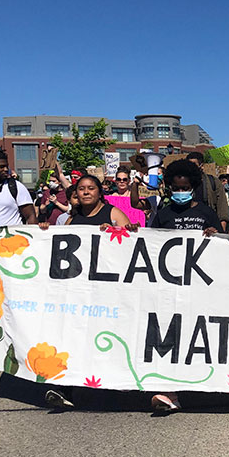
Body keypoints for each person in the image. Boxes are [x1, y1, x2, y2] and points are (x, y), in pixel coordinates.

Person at [41, 174, 137, 409]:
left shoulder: (112, 213)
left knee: (107, 335)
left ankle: (117, 378)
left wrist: (116, 233)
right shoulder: (71, 219)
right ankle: (65, 387)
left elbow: (134, 242)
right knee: (73, 335)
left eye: (91, 188)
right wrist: (45, 233)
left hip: (108, 288)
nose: (85, 192)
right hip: (79, 289)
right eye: (81, 188)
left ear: (99, 192)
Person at [146, 159, 221, 412]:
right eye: (176, 188)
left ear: (193, 187)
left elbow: (222, 245)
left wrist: (214, 233)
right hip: (170, 285)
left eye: (185, 187)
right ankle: (170, 391)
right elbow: (149, 243)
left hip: (200, 286)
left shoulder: (205, 213)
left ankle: (201, 380)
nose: (180, 192)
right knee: (171, 334)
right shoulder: (164, 214)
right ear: (169, 187)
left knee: (195, 334)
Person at [184, 152, 229, 231]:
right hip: (187, 225)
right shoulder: (183, 182)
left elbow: (222, 208)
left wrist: (221, 231)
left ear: (201, 166)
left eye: (194, 164)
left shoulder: (213, 182)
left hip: (209, 227)